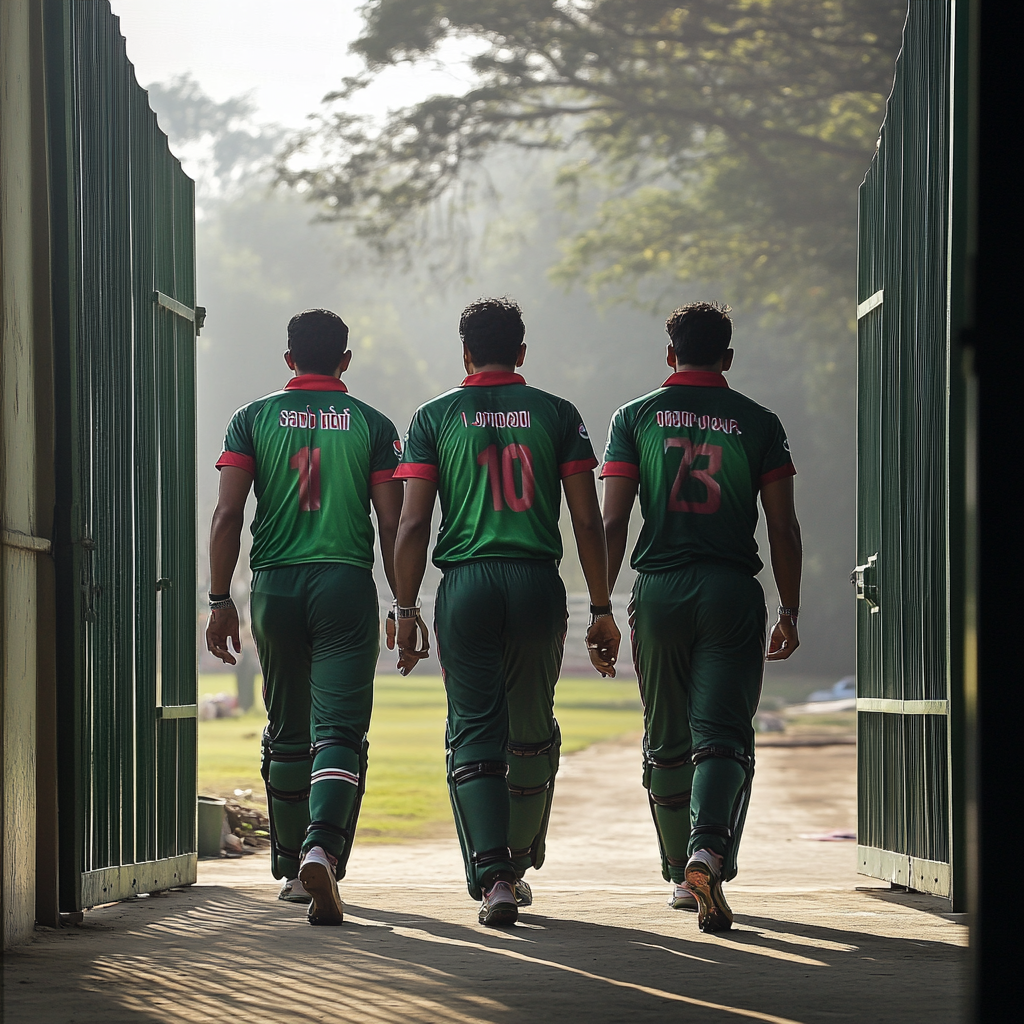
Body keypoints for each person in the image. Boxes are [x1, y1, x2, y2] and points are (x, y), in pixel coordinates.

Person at [391, 297, 621, 927]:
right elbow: (584, 519)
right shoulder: (557, 414)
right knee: (531, 726)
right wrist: (600, 605)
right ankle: (519, 861)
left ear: (465, 351)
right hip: (535, 582)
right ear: (523, 352)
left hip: (464, 583)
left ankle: (492, 875)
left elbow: (413, 524)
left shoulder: (432, 417)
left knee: (473, 728)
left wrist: (405, 607)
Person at [601, 301, 802, 933]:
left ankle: (677, 878)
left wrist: (602, 605)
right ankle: (706, 850)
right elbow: (783, 526)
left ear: (670, 354)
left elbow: (612, 522)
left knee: (667, 737)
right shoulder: (759, 422)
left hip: (658, 591)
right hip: (730, 591)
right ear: (729, 357)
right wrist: (790, 607)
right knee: (722, 733)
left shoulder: (634, 418)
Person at [205, 308, 404, 926]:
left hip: (276, 586)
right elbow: (393, 523)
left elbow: (227, 518)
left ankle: (294, 869)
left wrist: (218, 601)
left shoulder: (251, 418)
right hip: (344, 581)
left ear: (288, 359)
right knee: (339, 727)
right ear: (345, 361)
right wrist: (404, 603)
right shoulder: (372, 424)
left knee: (286, 726)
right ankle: (322, 845)